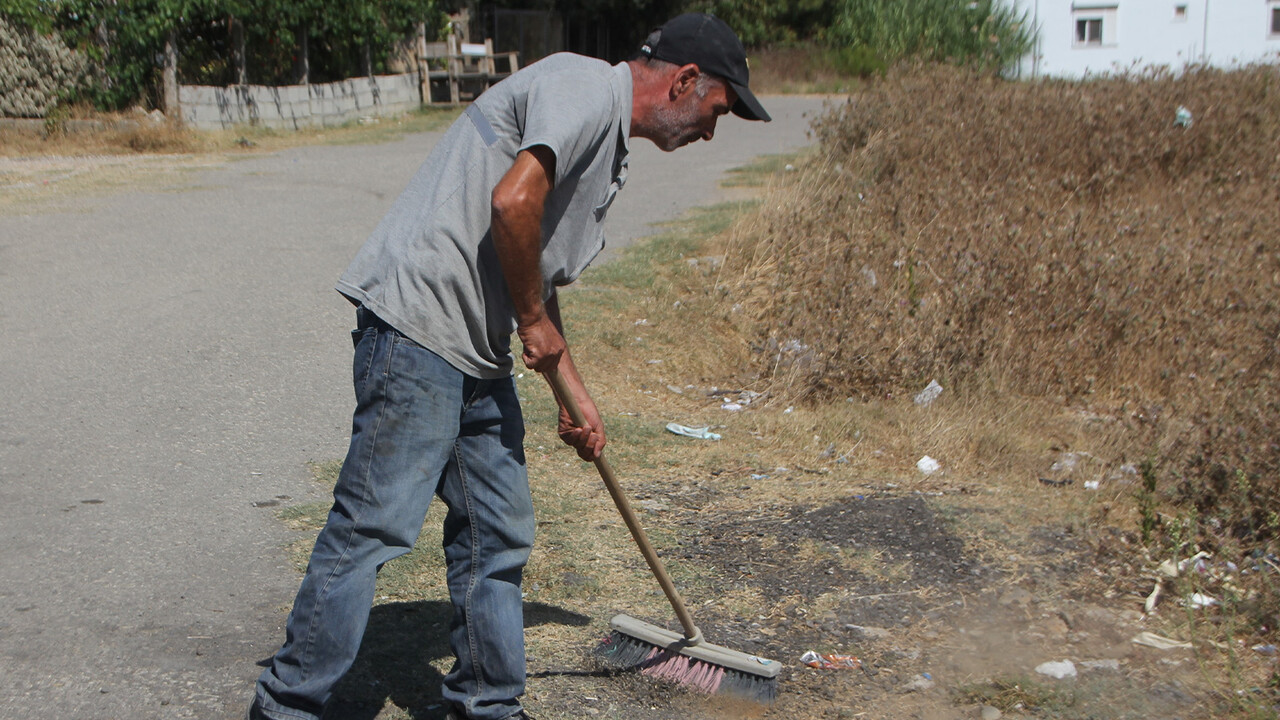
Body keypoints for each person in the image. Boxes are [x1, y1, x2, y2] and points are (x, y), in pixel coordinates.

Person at [248, 13, 770, 720]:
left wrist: (574, 393)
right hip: (419, 326)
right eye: (715, 112)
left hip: (475, 349)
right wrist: (529, 323)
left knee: (499, 528)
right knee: (375, 525)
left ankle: (488, 705)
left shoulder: (608, 140)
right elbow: (512, 202)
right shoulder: (584, 89)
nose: (709, 133)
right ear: (683, 81)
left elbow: (537, 263)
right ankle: (285, 706)